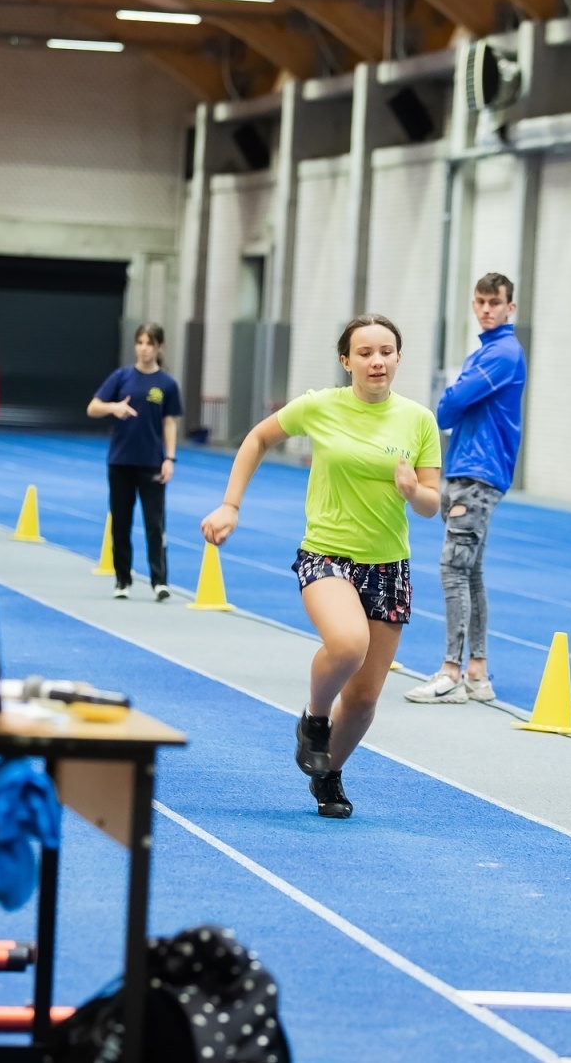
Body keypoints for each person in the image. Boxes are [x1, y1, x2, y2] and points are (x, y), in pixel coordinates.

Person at [202, 314, 440, 819]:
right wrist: (231, 505)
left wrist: (412, 491)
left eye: (386, 351)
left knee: (364, 697)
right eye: (365, 352)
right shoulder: (320, 405)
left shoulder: (418, 420)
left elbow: (430, 504)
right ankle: (313, 719)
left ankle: (329, 772)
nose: (376, 361)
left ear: (398, 358)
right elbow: (257, 438)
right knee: (348, 644)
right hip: (327, 554)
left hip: (388, 567)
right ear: (346, 360)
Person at [404, 273, 526, 706]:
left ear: (511, 307)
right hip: (467, 468)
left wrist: (453, 394)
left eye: (495, 302)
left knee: (452, 569)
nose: (487, 309)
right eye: (480, 301)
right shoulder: (487, 352)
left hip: (478, 471)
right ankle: (477, 672)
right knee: (469, 572)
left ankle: (451, 671)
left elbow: (448, 406)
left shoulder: (503, 353)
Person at [87, 324, 182, 600]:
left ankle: (159, 580)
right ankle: (122, 579)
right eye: (139, 342)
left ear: (159, 348)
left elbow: (169, 422)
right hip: (121, 462)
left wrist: (170, 458)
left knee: (155, 523)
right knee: (121, 522)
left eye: (149, 343)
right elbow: (92, 407)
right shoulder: (121, 377)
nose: (143, 348)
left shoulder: (166, 384)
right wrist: (113, 407)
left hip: (151, 462)